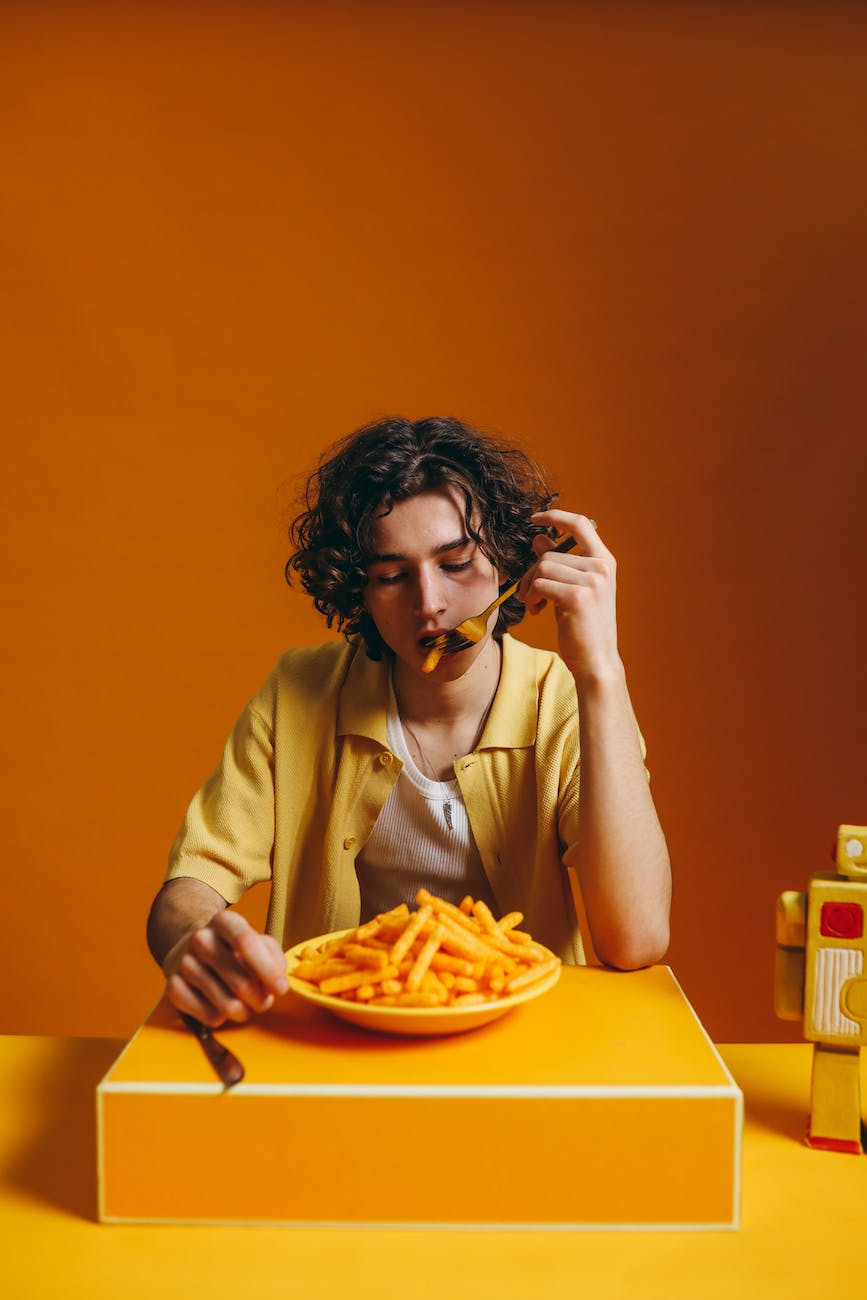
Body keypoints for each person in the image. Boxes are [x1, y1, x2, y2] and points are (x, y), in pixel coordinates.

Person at [147, 415, 671, 1027]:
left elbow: (637, 938)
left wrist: (600, 672)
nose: (430, 604)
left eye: (455, 564)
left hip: (532, 1043)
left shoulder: (566, 701)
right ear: (359, 593)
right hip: (339, 1040)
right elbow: (192, 882)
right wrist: (194, 941)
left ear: (508, 563)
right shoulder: (299, 692)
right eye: (392, 577)